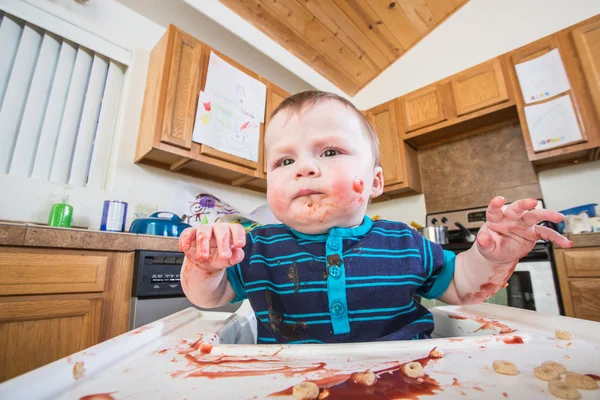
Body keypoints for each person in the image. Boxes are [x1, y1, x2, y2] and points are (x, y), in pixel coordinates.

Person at [179, 91, 572, 343]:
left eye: (329, 152)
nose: (304, 168)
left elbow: (461, 288)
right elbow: (209, 299)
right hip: (290, 384)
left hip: (408, 379)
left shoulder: (405, 242)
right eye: (284, 160)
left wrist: (492, 259)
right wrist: (203, 267)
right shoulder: (256, 247)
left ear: (374, 181)